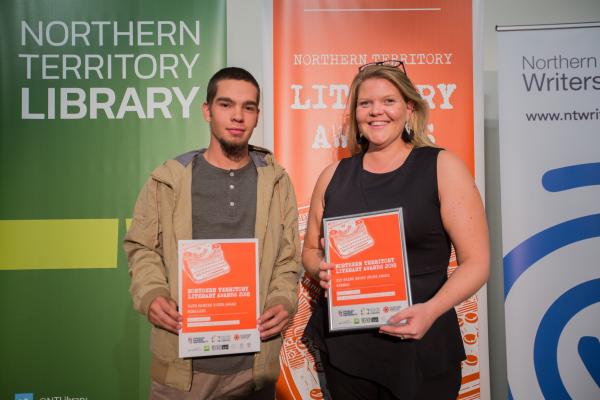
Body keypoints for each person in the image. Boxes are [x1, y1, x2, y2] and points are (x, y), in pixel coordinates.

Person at [302, 60, 490, 400]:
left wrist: (430, 311)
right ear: (355, 113)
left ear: (409, 108)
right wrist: (322, 269)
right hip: (348, 352)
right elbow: (311, 253)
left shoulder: (441, 166)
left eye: (388, 101)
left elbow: (477, 262)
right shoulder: (333, 176)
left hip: (420, 346)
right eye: (365, 103)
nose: (377, 111)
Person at [124, 67, 301, 400]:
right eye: (226, 105)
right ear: (207, 110)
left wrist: (283, 300)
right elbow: (141, 247)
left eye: (248, 107)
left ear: (257, 115)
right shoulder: (168, 179)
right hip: (183, 371)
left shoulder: (276, 181)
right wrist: (151, 294)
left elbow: (288, 259)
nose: (237, 116)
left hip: (254, 369)